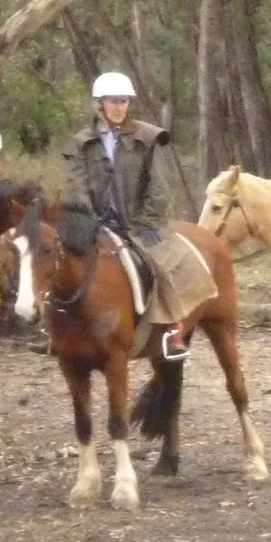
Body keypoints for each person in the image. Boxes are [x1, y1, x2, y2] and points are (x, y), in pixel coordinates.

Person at [63, 71, 192, 354]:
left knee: (163, 263)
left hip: (137, 222)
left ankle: (173, 330)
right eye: (114, 101)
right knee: (55, 259)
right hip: (94, 222)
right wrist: (87, 217)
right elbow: (76, 183)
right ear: (100, 104)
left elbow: (159, 187)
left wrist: (143, 222)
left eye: (124, 101)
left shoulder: (148, 137)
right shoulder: (82, 141)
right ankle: (56, 331)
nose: (120, 107)